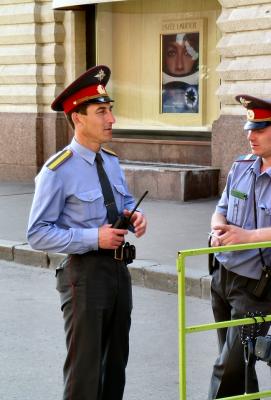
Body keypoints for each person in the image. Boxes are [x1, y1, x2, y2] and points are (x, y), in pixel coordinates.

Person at [27, 65, 147, 400]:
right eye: (101, 112)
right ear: (78, 118)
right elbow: (37, 234)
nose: (111, 120)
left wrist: (136, 217)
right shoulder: (57, 170)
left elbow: (124, 201)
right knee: (85, 371)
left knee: (115, 366)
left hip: (118, 271)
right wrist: (95, 238)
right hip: (83, 276)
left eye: (110, 110)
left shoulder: (109, 161)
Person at [208, 94, 271, 398]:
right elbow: (220, 208)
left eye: (259, 129)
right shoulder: (242, 166)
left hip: (255, 289)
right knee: (239, 365)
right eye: (249, 128)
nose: (250, 135)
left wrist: (247, 237)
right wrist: (217, 228)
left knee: (227, 366)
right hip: (222, 278)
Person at [162, 32, 199, 113]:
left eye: (188, 53)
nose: (179, 66)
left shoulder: (204, 97)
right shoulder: (157, 98)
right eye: (172, 53)